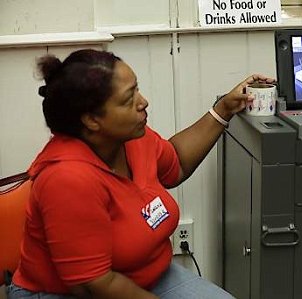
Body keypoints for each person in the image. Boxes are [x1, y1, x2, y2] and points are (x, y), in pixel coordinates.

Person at [6, 49, 275, 299]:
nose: (143, 102)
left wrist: (224, 109)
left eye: (138, 90)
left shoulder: (131, 137)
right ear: (91, 120)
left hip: (145, 275)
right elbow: (95, 283)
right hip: (72, 291)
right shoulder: (66, 179)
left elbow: (176, 163)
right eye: (128, 99)